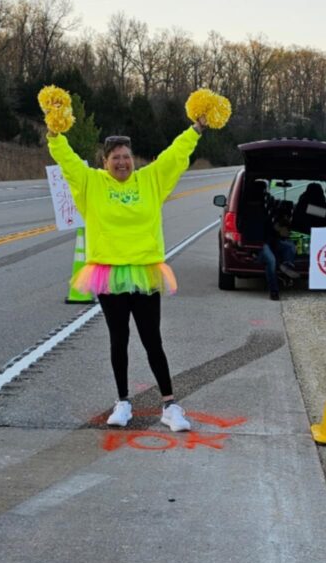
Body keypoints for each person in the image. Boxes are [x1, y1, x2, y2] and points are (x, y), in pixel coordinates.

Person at [47, 116, 210, 430]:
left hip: (145, 271)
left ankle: (170, 405)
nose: (122, 163)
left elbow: (174, 156)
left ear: (133, 159)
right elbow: (67, 161)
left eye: (126, 157)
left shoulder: (150, 180)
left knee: (152, 340)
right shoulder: (90, 183)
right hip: (109, 273)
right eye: (115, 158)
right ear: (104, 162)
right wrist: (55, 134)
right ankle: (122, 402)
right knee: (118, 339)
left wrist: (195, 130)